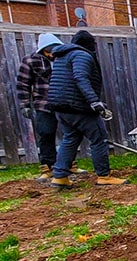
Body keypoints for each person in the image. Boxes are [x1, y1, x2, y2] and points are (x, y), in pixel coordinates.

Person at [46, 30, 127, 187]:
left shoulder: (63, 56)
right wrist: (94, 101)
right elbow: (80, 77)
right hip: (77, 106)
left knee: (70, 138)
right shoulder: (82, 55)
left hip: (61, 107)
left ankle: (60, 176)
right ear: (90, 45)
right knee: (99, 138)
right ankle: (104, 176)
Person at [15, 33, 85, 179]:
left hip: (65, 103)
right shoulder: (31, 60)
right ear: (43, 50)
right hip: (44, 103)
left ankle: (69, 164)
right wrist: (24, 104)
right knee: (46, 133)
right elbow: (23, 83)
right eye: (48, 51)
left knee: (71, 134)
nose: (52, 54)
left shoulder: (65, 58)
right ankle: (47, 167)